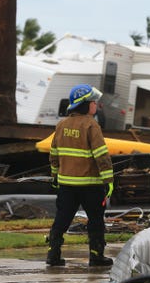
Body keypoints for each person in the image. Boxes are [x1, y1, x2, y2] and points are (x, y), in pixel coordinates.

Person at [46, 84, 114, 267]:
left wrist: (55, 177)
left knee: (62, 219)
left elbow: (54, 154)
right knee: (96, 220)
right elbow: (102, 156)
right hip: (91, 185)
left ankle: (53, 255)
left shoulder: (61, 125)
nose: (96, 105)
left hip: (66, 185)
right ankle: (96, 256)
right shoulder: (91, 125)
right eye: (94, 102)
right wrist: (109, 181)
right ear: (85, 104)